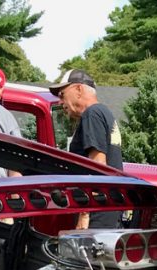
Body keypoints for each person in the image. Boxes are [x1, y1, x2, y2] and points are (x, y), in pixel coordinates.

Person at [48, 68, 123, 229]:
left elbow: (98, 167)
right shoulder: (104, 113)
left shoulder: (92, 114)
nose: (60, 102)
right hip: (109, 208)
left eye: (62, 95)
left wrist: (84, 214)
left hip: (96, 213)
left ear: (78, 89)